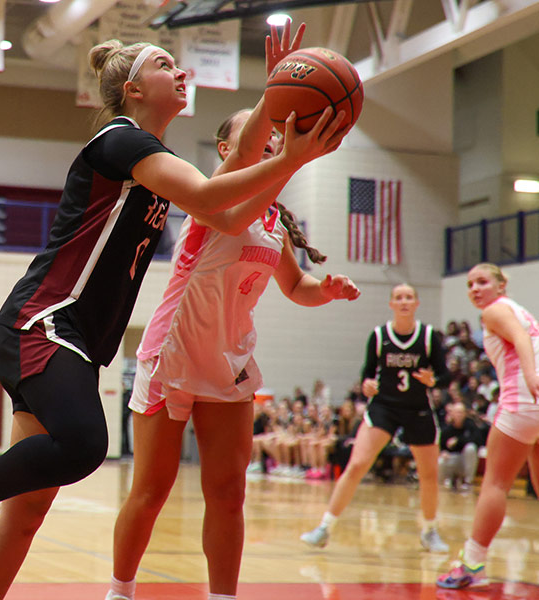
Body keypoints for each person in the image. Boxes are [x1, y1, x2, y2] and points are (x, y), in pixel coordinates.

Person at [0, 26, 351, 598]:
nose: (181, 72)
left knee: (27, 512)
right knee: (84, 446)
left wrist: (273, 102)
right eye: (165, 65)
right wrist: (292, 160)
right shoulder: (120, 141)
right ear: (133, 89)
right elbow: (211, 195)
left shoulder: (156, 163)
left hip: (78, 340)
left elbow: (229, 209)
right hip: (47, 320)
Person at [104, 32, 360, 600]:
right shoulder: (212, 199)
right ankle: (119, 591)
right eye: (263, 137)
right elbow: (245, 168)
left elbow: (295, 287)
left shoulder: (273, 224)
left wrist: (327, 290)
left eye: (277, 140)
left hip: (229, 362)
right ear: (228, 149)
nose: (273, 143)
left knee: (228, 494)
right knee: (151, 491)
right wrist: (277, 100)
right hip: (173, 353)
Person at [300, 283, 452, 553]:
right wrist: (367, 385)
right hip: (384, 407)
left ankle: (430, 531)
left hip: (417, 408)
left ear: (416, 303)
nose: (404, 301)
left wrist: (434, 380)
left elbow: (445, 376)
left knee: (428, 474)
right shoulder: (379, 335)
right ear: (391, 304)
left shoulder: (429, 336)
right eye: (398, 297)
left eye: (409, 297)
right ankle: (324, 528)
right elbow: (367, 374)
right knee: (357, 465)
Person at [437, 263, 539, 589]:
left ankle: (472, 564)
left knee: (495, 483)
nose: (475, 289)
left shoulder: (494, 311)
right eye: (470, 284)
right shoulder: (520, 310)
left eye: (482, 282)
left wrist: (531, 375)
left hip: (523, 399)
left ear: (501, 284)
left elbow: (520, 339)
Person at [438, 400, 483, 492]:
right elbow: (441, 446)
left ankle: (468, 482)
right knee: (441, 460)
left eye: (461, 412)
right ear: (452, 414)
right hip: (454, 459)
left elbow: (478, 441)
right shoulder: (447, 429)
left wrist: (458, 440)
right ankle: (444, 481)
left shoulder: (471, 425)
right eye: (457, 412)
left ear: (465, 414)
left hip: (466, 460)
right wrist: (443, 452)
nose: (459, 415)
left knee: (470, 448)